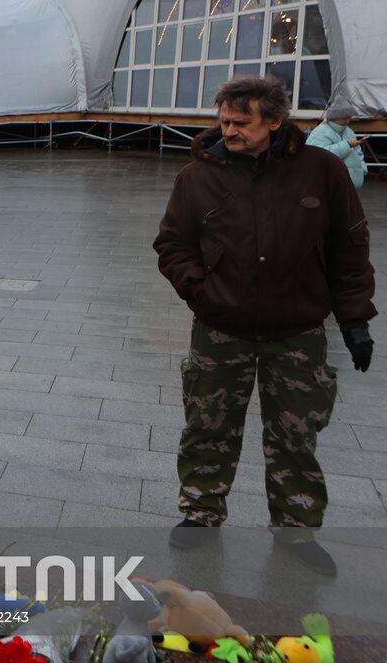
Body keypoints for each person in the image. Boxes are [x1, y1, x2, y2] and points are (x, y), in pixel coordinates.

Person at [153, 75, 375, 575]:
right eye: (225, 121)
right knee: (208, 426)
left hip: (296, 333)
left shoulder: (321, 172)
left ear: (275, 122)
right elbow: (172, 244)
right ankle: (201, 513)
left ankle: (296, 532)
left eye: (241, 123)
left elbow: (350, 249)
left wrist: (355, 320)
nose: (229, 131)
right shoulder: (197, 177)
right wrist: (202, 291)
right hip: (221, 330)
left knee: (296, 436)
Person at [306, 111, 367, 190]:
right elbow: (319, 155)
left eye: (349, 118)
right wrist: (347, 145)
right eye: (344, 118)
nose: (348, 121)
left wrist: (362, 169)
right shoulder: (320, 132)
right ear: (334, 117)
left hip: (348, 186)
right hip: (328, 186)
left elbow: (358, 152)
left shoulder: (349, 131)